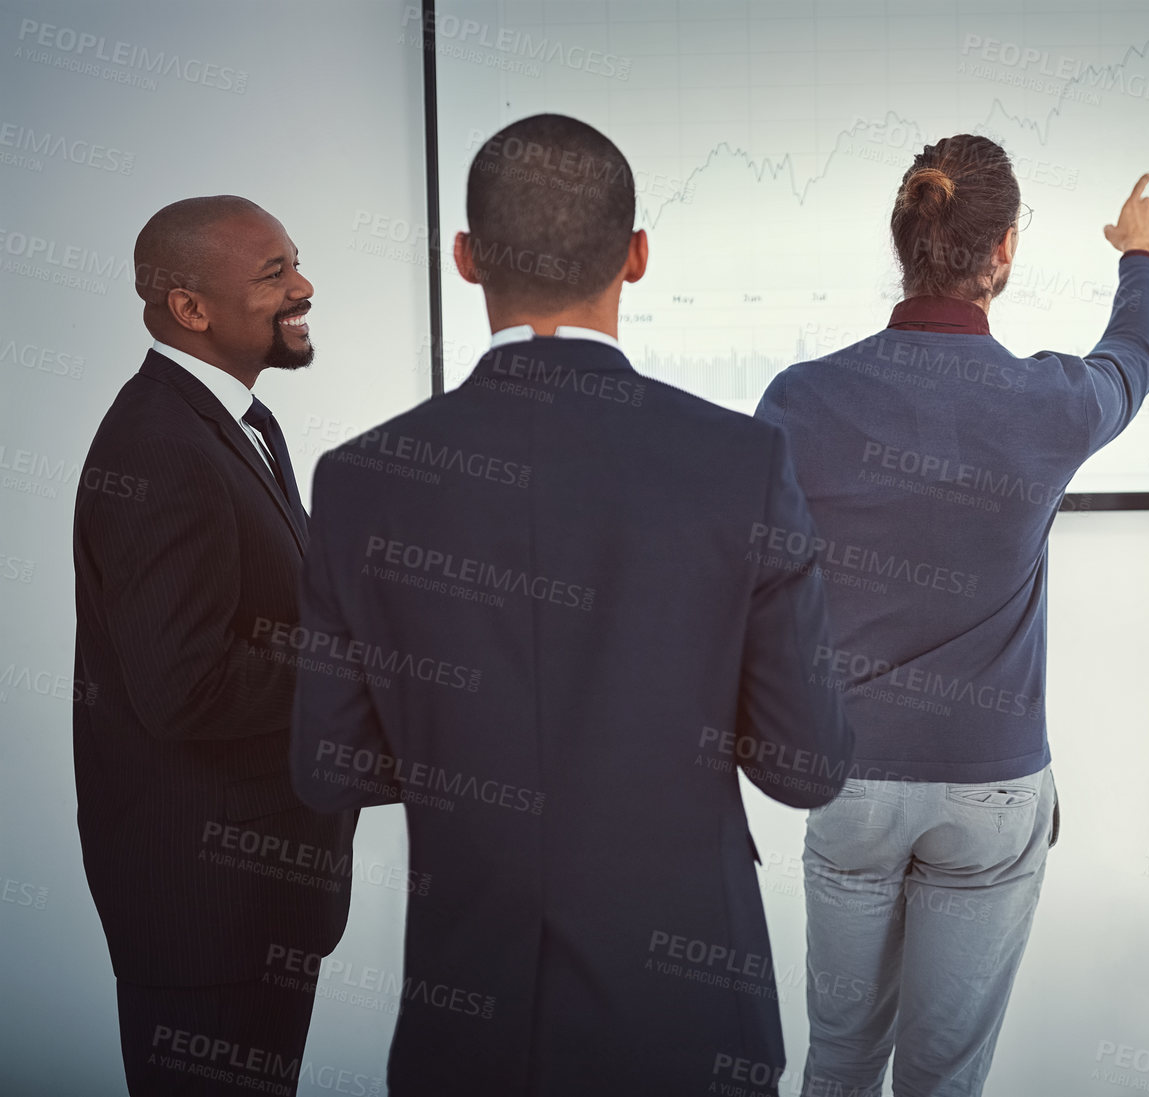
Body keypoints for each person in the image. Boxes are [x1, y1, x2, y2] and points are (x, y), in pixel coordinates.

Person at [287, 113, 853, 1096]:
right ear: (636, 255)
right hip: (689, 1023)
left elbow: (328, 763)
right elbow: (806, 765)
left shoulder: (359, 477)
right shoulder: (742, 463)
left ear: (464, 258)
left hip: (468, 1024)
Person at [755, 136, 1149, 1096]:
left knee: (841, 1060)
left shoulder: (800, 398)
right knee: (943, 1079)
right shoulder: (1050, 402)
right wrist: (1140, 256)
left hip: (848, 775)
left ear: (904, 241)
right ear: (1006, 250)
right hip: (993, 789)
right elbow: (1132, 360)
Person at [74, 196, 356, 1096]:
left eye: (295, 262)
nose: (304, 287)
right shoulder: (161, 446)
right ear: (189, 309)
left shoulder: (233, 424)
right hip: (208, 913)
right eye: (274, 273)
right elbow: (186, 685)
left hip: (255, 903)